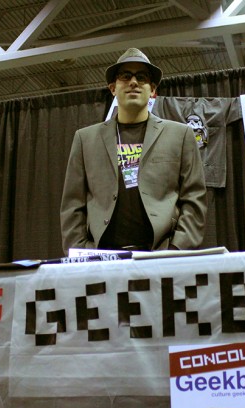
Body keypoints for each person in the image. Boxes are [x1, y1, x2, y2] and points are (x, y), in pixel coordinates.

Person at [60, 48, 207, 254]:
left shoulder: (180, 135)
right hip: (102, 257)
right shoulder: (85, 139)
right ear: (113, 88)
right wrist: (82, 251)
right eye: (125, 76)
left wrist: (176, 249)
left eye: (142, 77)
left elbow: (194, 197)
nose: (134, 82)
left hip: (162, 254)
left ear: (152, 89)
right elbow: (73, 204)